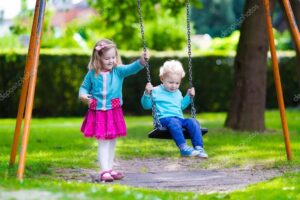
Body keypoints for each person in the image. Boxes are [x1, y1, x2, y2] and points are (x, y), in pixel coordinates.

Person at [79, 39, 149, 182]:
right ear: (98, 58)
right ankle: (104, 171)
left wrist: (142, 61)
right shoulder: (92, 74)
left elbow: (132, 68)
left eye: (113, 57)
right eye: (107, 58)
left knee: (112, 141)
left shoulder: (118, 71)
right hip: (98, 111)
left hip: (113, 111)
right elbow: (84, 87)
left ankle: (109, 169)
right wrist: (83, 95)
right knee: (103, 141)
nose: (111, 61)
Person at [141, 60, 208, 158]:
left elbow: (181, 106)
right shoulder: (155, 91)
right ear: (162, 78)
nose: (174, 86)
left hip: (179, 119)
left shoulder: (178, 92)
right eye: (170, 82)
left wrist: (188, 96)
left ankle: (199, 148)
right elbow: (146, 105)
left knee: (193, 122)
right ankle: (183, 148)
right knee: (174, 122)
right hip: (163, 120)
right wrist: (147, 93)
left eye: (177, 83)